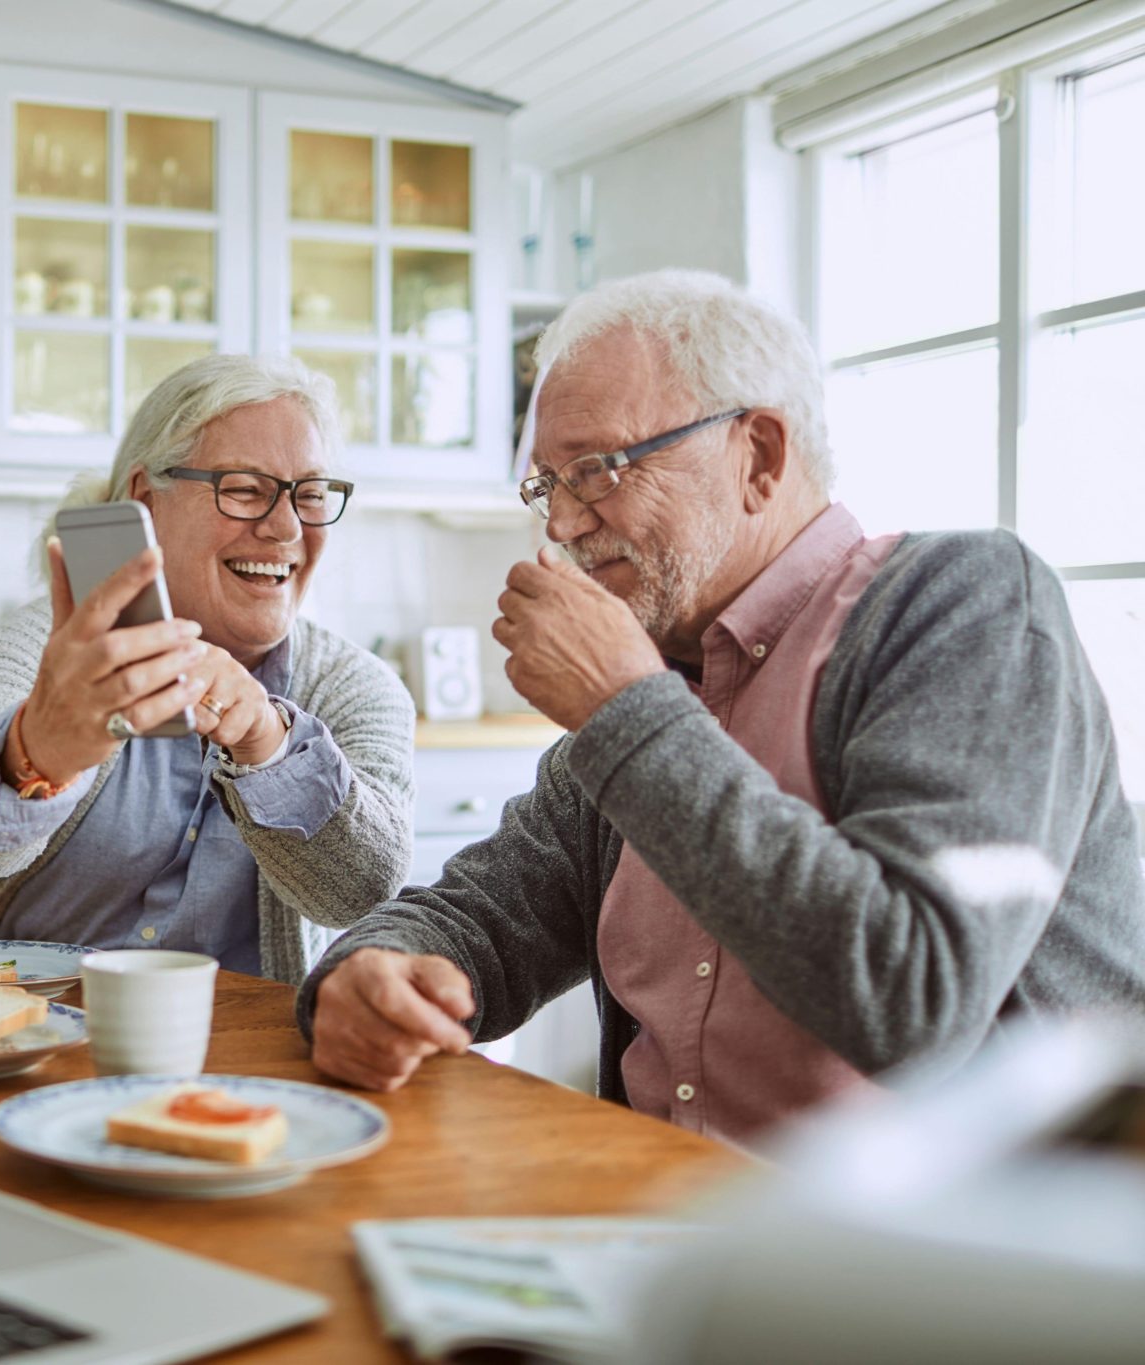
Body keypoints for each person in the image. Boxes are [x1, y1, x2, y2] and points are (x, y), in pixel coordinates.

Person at [300, 269, 1145, 1145]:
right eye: (545, 484)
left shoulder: (964, 609)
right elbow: (479, 914)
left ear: (761, 456)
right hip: (667, 1227)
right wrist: (370, 973)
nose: (561, 524)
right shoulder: (664, 671)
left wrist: (625, 707)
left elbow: (912, 1000)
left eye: (595, 470)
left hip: (959, 1258)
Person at [0, 354, 416, 986]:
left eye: (309, 495)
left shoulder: (358, 689)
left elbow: (358, 894)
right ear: (146, 499)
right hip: (19, 1026)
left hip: (238, 1052)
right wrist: (36, 750)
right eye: (244, 489)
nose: (286, 527)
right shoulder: (54, 643)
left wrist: (267, 742)